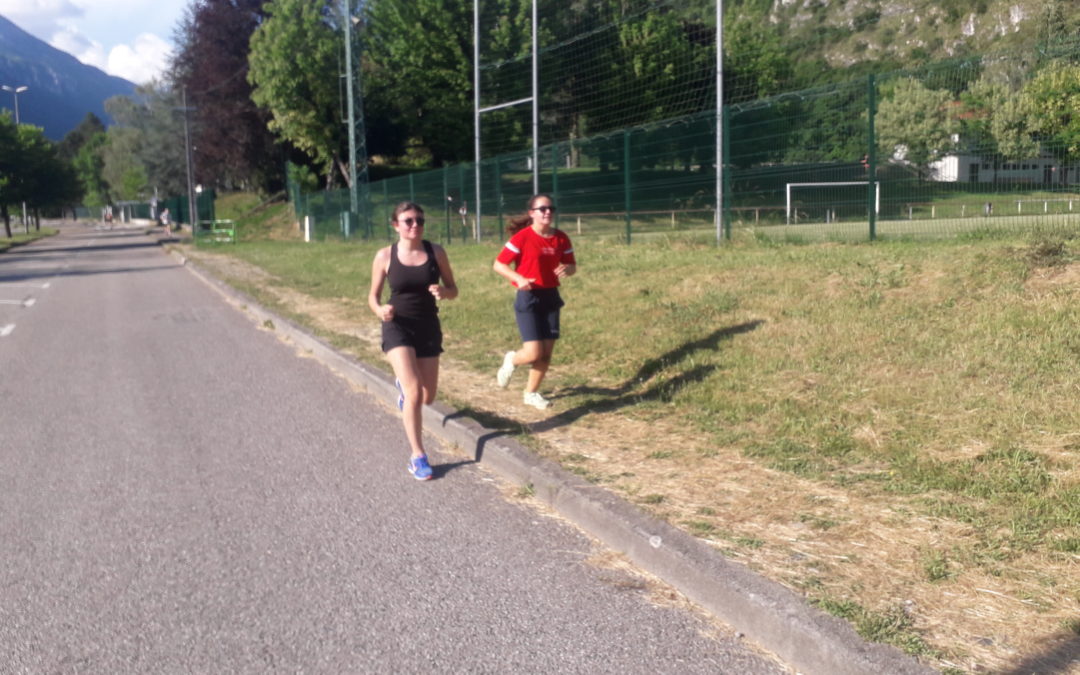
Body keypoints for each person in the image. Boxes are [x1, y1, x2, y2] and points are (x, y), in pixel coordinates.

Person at [368, 202, 458, 480]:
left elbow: (454, 289)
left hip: (428, 326)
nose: (415, 225)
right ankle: (418, 456)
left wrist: (444, 291)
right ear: (395, 225)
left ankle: (405, 390)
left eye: (419, 220)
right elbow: (372, 296)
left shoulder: (436, 252)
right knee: (415, 393)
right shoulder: (385, 256)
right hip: (398, 326)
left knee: (427, 397)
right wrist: (380, 310)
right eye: (408, 221)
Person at [492, 194, 576, 409]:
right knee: (533, 353)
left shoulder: (561, 238)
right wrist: (518, 278)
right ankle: (511, 360)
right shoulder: (523, 237)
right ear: (532, 213)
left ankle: (531, 393)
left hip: (551, 297)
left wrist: (568, 269)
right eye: (542, 209)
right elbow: (499, 264)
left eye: (550, 208)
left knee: (546, 353)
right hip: (528, 297)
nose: (547, 212)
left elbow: (571, 266)